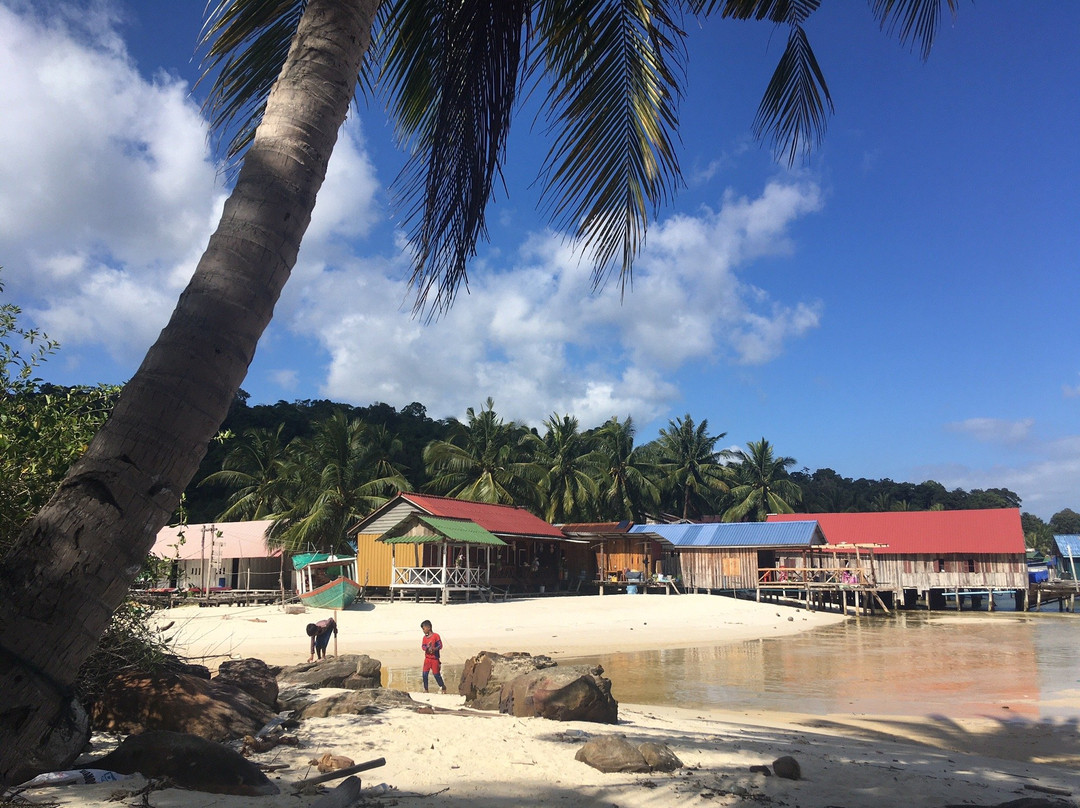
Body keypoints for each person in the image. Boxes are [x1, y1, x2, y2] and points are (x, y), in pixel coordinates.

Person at [420, 619, 446, 693]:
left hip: (435, 659)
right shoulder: (424, 638)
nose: (423, 631)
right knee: (424, 674)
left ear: (429, 628)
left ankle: (442, 686)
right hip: (427, 659)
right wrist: (427, 648)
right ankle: (426, 689)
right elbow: (423, 647)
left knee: (436, 675)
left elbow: (440, 645)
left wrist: (434, 649)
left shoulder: (436, 636)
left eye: (424, 629)